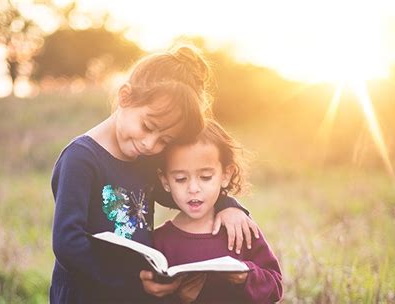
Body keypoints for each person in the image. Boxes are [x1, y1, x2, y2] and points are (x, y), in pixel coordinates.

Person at [50, 45, 260, 303]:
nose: (151, 144)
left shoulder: (144, 159)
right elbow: (67, 243)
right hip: (86, 294)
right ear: (125, 97)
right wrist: (130, 283)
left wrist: (228, 205)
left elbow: (184, 195)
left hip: (135, 294)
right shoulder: (81, 159)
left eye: (164, 140)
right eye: (148, 126)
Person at [154, 119, 283, 303]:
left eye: (205, 177)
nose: (193, 188)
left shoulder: (240, 228)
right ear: (165, 181)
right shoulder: (160, 242)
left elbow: (275, 286)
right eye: (181, 179)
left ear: (225, 175)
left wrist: (245, 275)